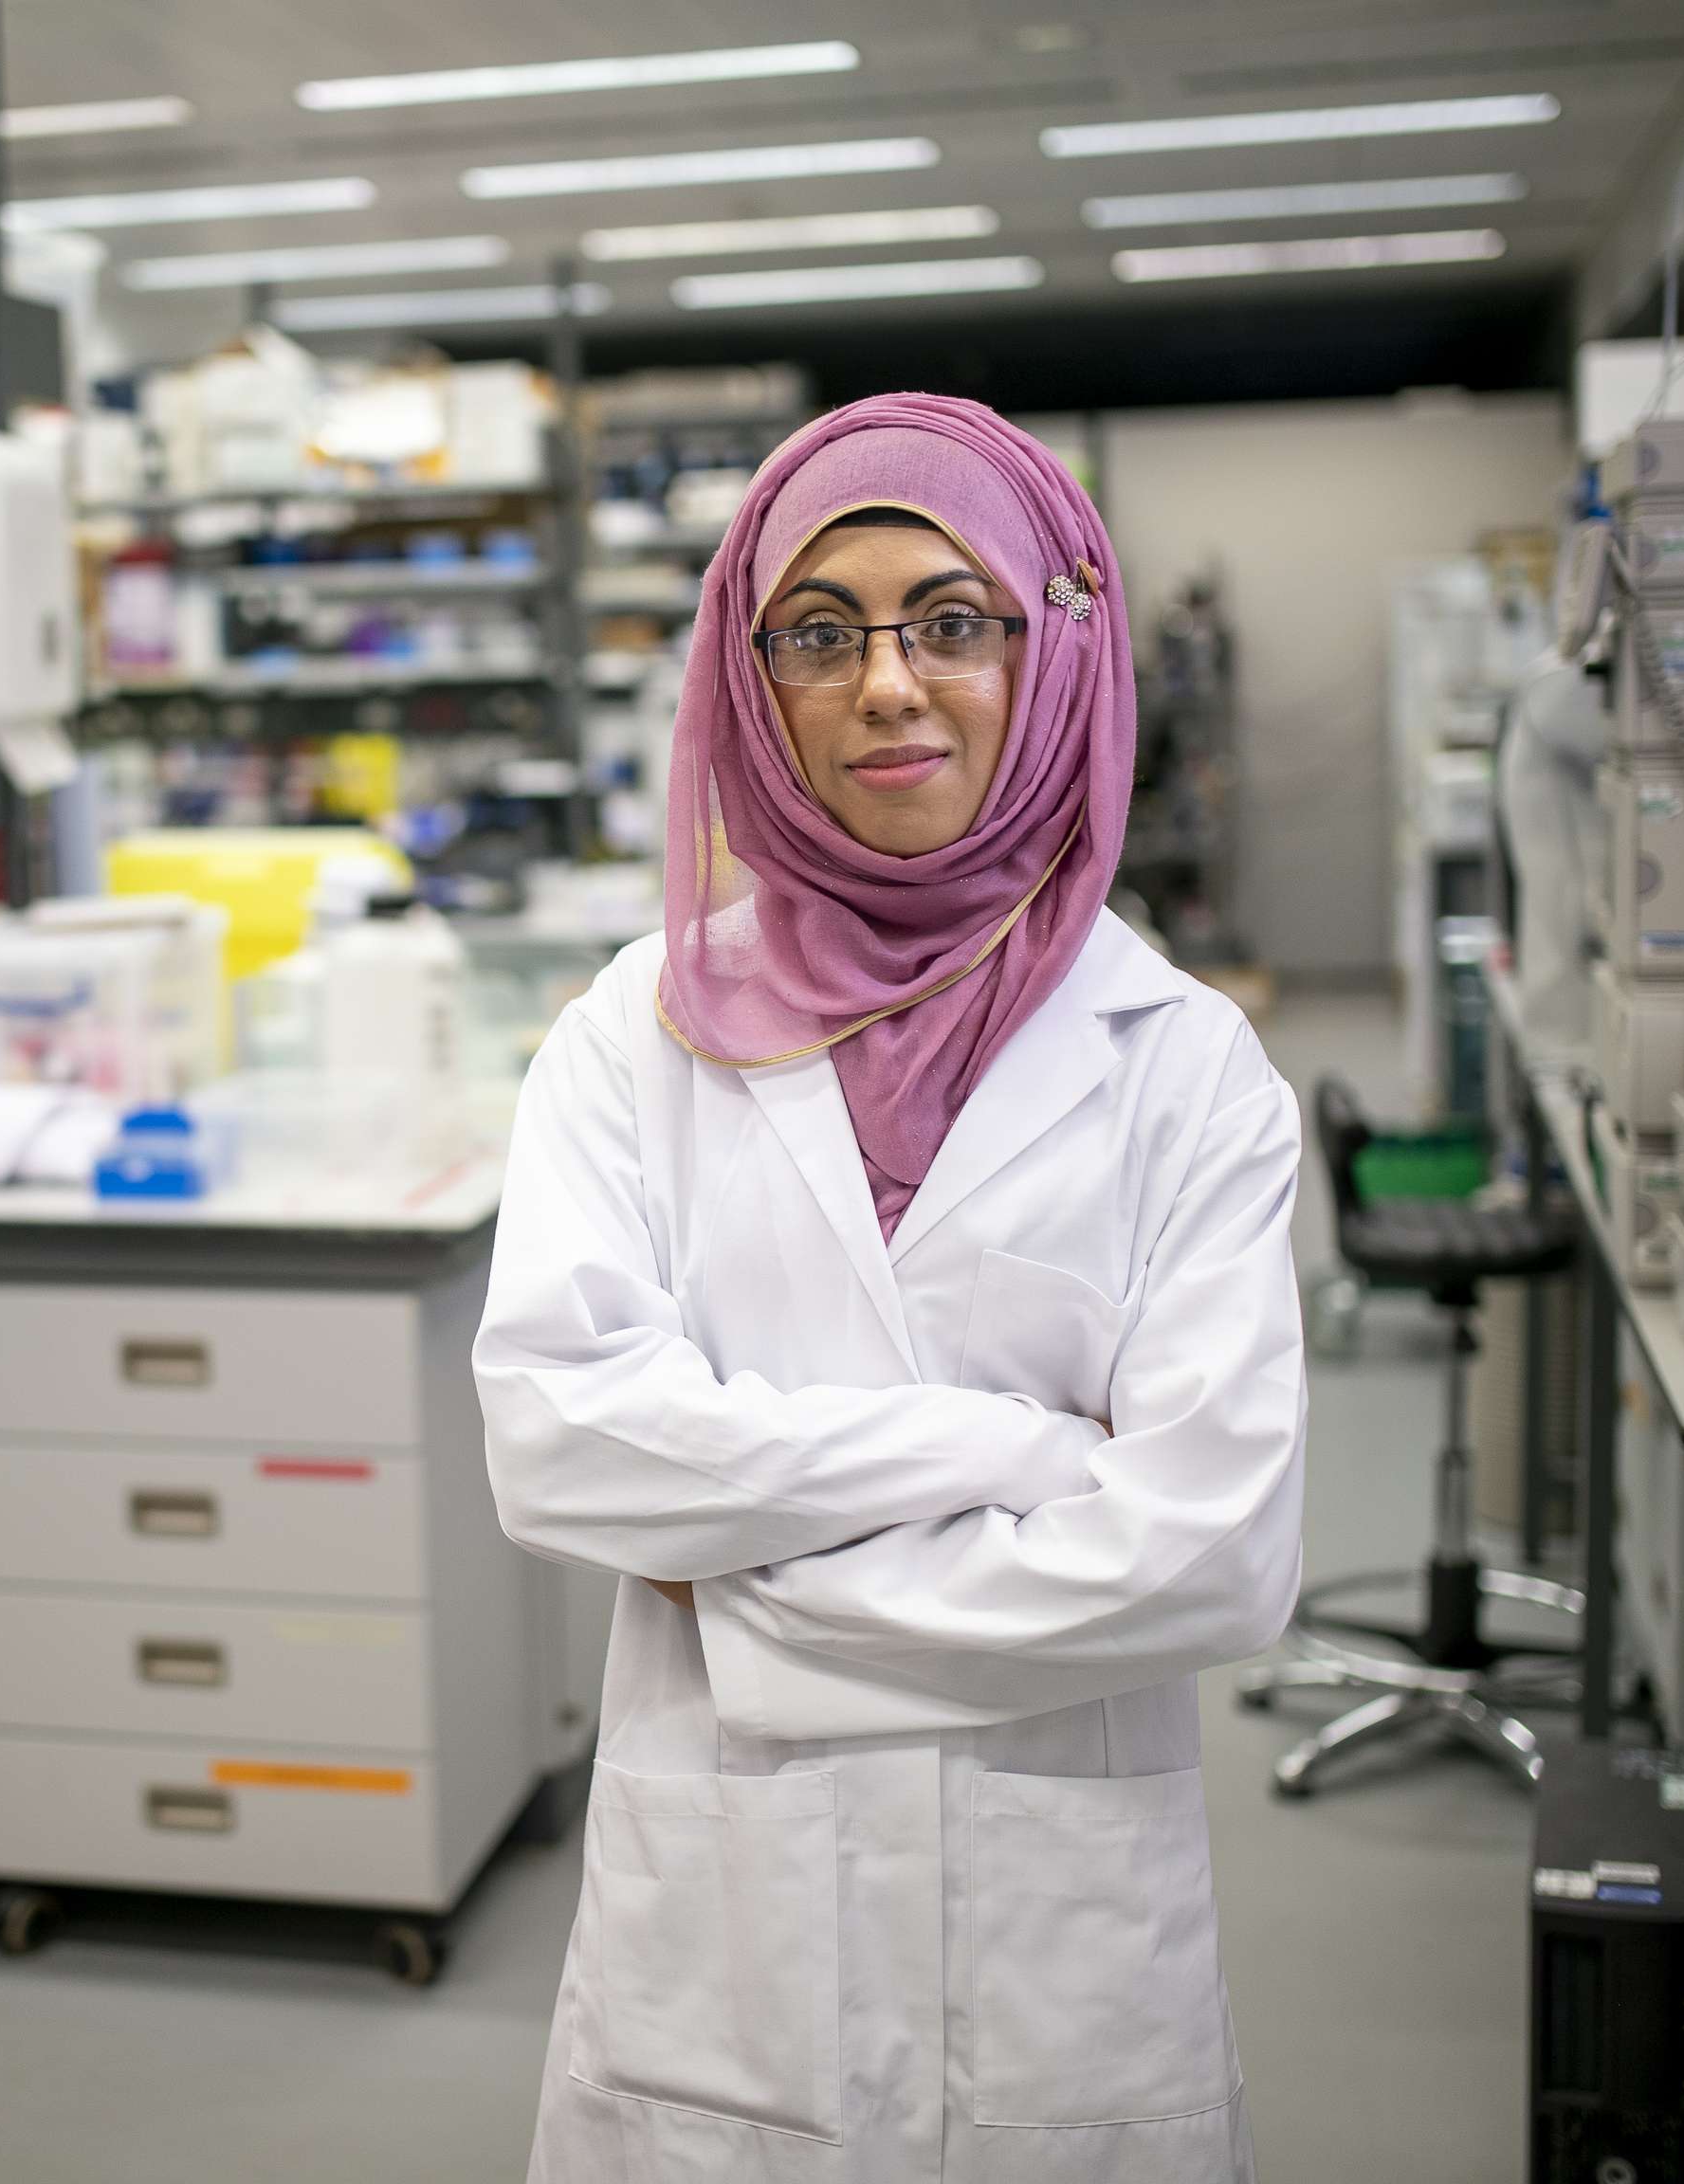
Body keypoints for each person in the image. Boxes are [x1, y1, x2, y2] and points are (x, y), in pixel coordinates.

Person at [477, 392, 1307, 2182]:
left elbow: (1218, 1548)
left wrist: (762, 1617)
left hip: (1063, 1946)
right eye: (819, 634)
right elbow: (559, 1447)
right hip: (725, 1940)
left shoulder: (1183, 1064)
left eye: (953, 619)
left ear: (1055, 642)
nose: (887, 686)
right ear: (746, 670)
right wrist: (1006, 1452)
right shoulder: (636, 1037)